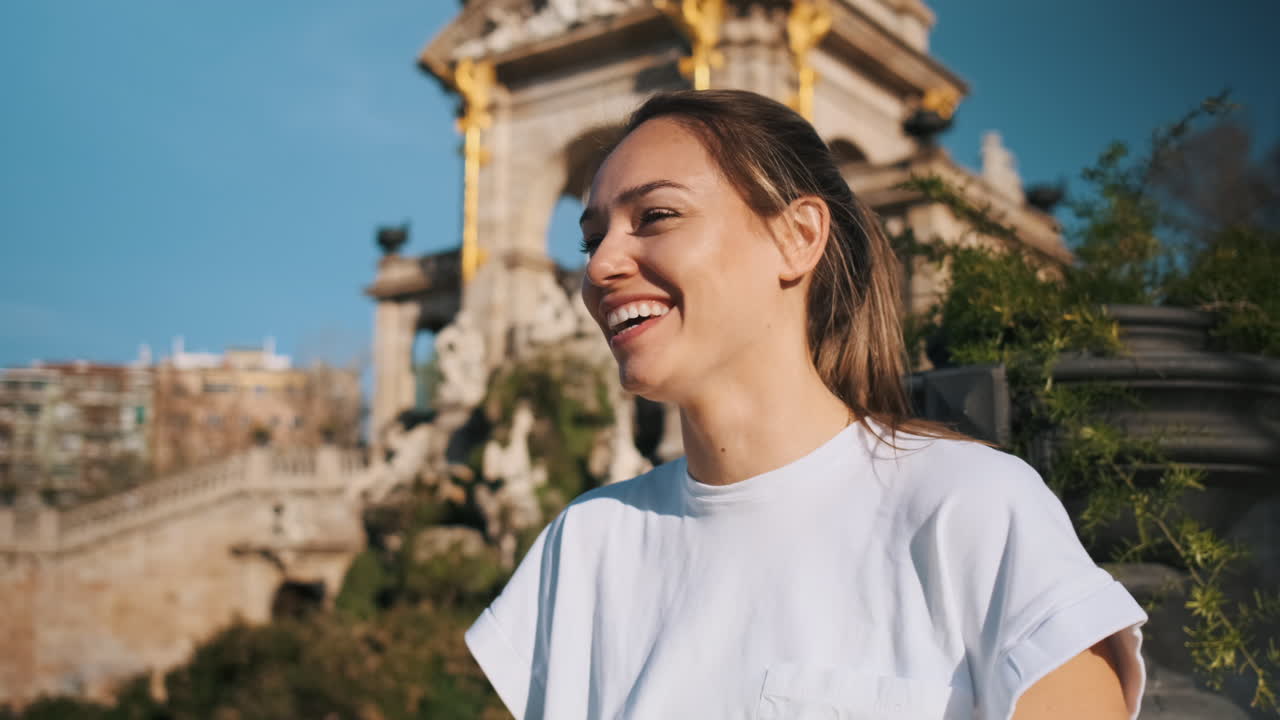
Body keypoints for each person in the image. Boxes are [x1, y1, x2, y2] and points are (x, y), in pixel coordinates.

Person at [464, 89, 1147, 720]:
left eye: (657, 217)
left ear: (798, 237)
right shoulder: (584, 544)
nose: (600, 265)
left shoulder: (968, 507)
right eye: (591, 238)